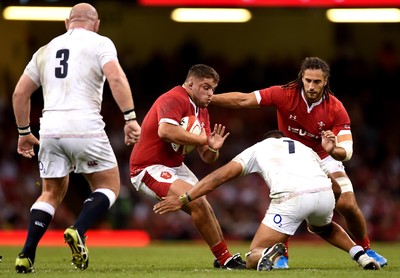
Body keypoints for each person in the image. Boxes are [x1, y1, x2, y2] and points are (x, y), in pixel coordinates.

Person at [208, 57, 387, 268]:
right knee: (288, 199)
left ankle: (366, 247)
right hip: (292, 159)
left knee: (347, 203)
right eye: (308, 80)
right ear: (301, 78)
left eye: (317, 82)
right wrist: (208, 100)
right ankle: (281, 254)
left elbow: (346, 151)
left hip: (324, 156)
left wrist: (333, 150)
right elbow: (243, 100)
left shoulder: (336, 108)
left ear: (326, 81)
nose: (311, 86)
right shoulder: (284, 94)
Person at [12, 3, 141, 273]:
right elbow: (115, 77)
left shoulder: (45, 50)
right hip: (85, 126)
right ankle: (78, 229)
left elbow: (20, 94)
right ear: (96, 24)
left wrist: (24, 133)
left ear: (66, 22)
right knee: (109, 186)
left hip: (49, 128)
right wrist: (129, 117)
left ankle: (26, 255)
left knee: (50, 192)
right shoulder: (100, 42)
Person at [154, 130, 381, 271]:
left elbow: (218, 177)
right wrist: (328, 205)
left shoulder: (258, 148)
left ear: (268, 140)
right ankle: (360, 255)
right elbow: (334, 186)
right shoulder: (304, 148)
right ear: (283, 138)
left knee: (253, 255)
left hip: (291, 197)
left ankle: (266, 253)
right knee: (324, 227)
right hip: (323, 192)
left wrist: (186, 197)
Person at [129, 64, 245, 270]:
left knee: (204, 203)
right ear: (191, 83)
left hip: (175, 165)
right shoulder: (174, 97)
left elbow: (207, 157)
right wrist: (202, 139)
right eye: (206, 87)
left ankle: (225, 259)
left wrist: (213, 146)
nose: (210, 94)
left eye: (213, 89)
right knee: (198, 201)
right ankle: (226, 260)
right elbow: (165, 131)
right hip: (148, 167)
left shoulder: (202, 111)